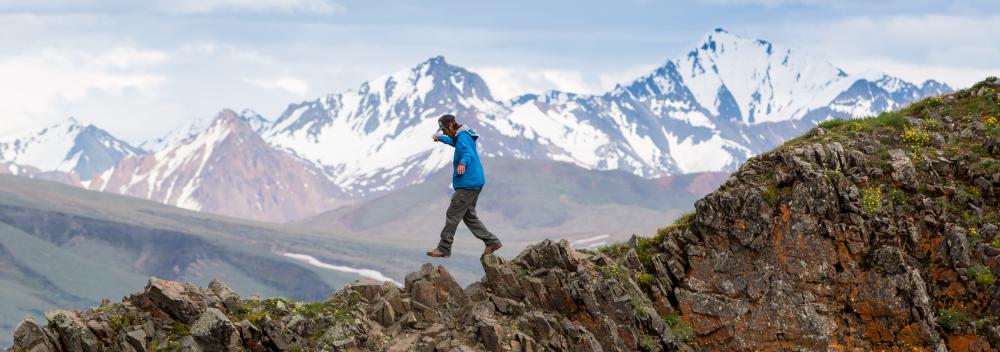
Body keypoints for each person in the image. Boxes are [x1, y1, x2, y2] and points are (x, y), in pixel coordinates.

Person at [426, 114, 502, 258]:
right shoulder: (461, 135)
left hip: (468, 183)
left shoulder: (463, 137)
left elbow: (467, 152)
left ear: (450, 125)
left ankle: (444, 248)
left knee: (452, 213)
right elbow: (455, 142)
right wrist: (441, 138)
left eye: (444, 129)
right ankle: (492, 241)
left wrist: (462, 163)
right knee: (469, 217)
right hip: (473, 182)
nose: (444, 132)